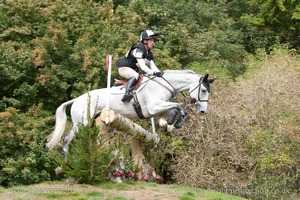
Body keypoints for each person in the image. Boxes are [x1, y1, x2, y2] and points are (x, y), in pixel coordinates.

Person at [116, 30, 163, 102]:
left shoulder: (148, 52)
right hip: (124, 68)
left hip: (132, 69)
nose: (153, 42)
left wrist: (160, 74)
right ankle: (126, 94)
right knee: (135, 75)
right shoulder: (138, 50)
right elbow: (143, 67)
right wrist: (154, 73)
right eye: (151, 40)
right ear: (145, 41)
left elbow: (153, 66)